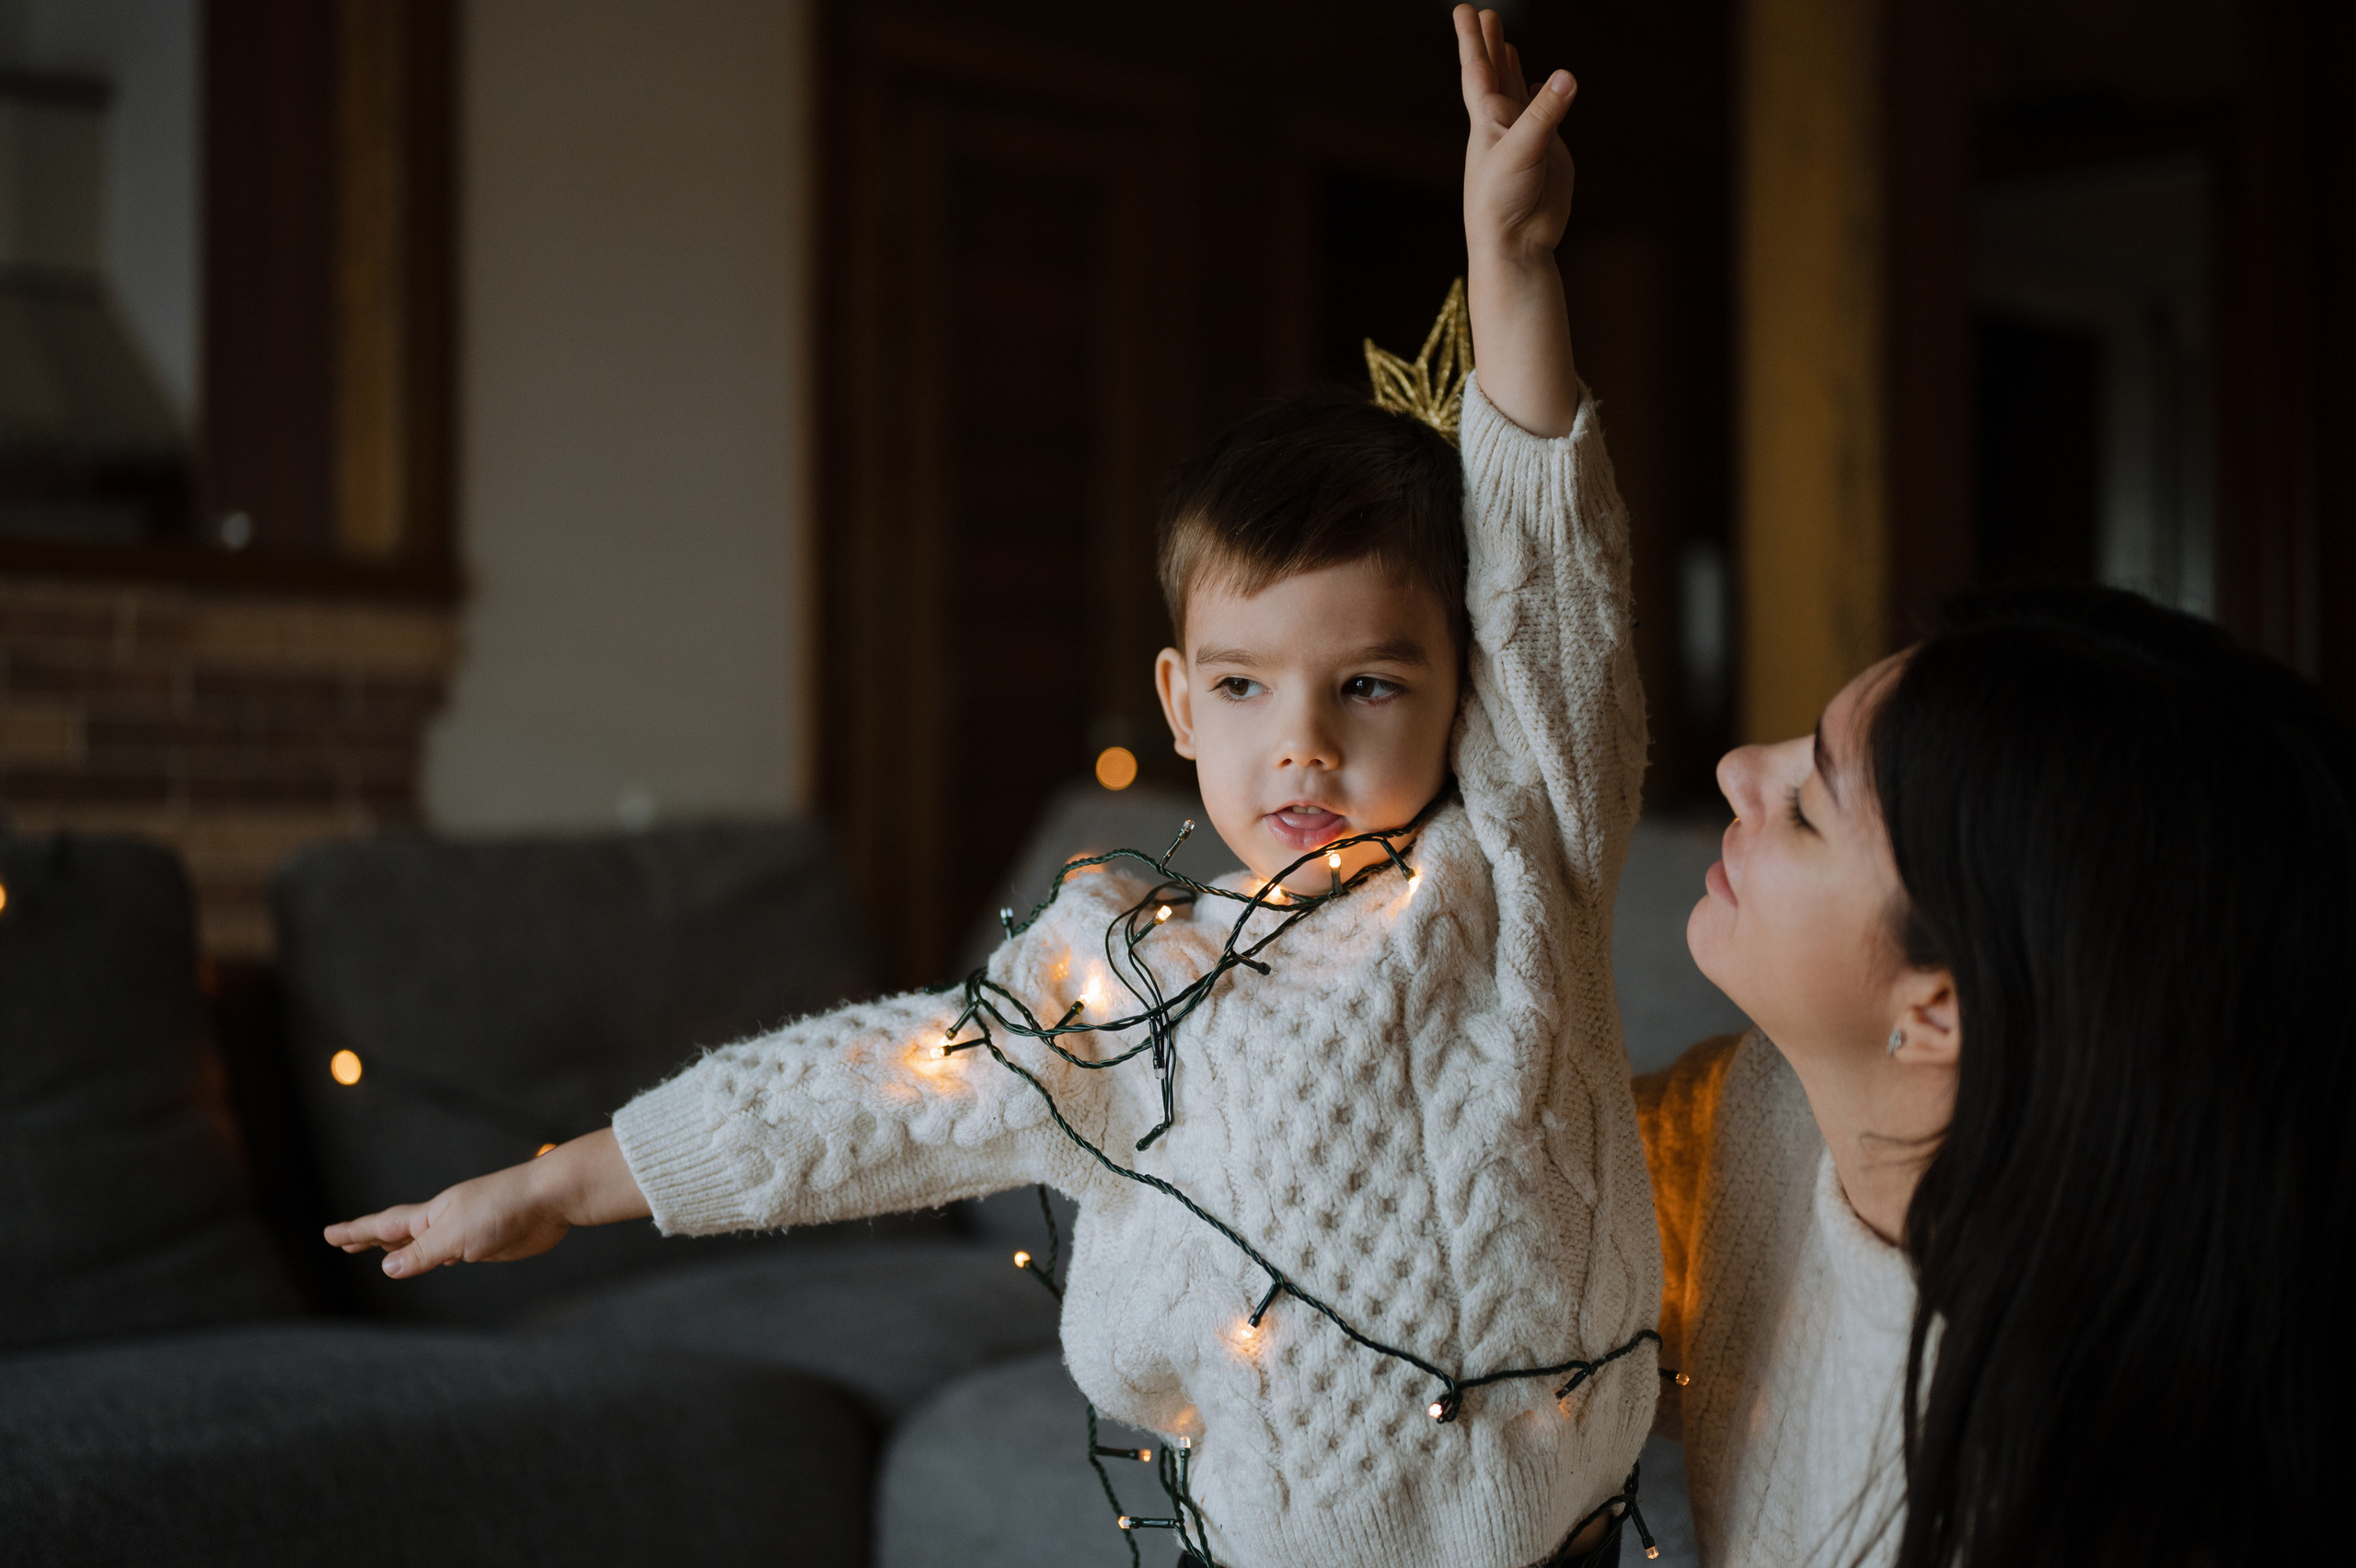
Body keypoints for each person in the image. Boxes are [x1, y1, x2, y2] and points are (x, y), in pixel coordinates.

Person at [331, 11, 1666, 1565]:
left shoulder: (1521, 858)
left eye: (1367, 684)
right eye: (1245, 686)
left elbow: (1553, 586)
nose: (1301, 741)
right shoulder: (1127, 977)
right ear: (1179, 702)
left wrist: (1512, 265)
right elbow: (860, 1092)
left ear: (1465, 693)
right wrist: (564, 1181)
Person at [1644, 584, 2351, 1565]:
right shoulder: (1743, 1121)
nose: (1738, 770)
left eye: (1807, 808)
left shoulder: (2082, 1491)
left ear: (1939, 1009)